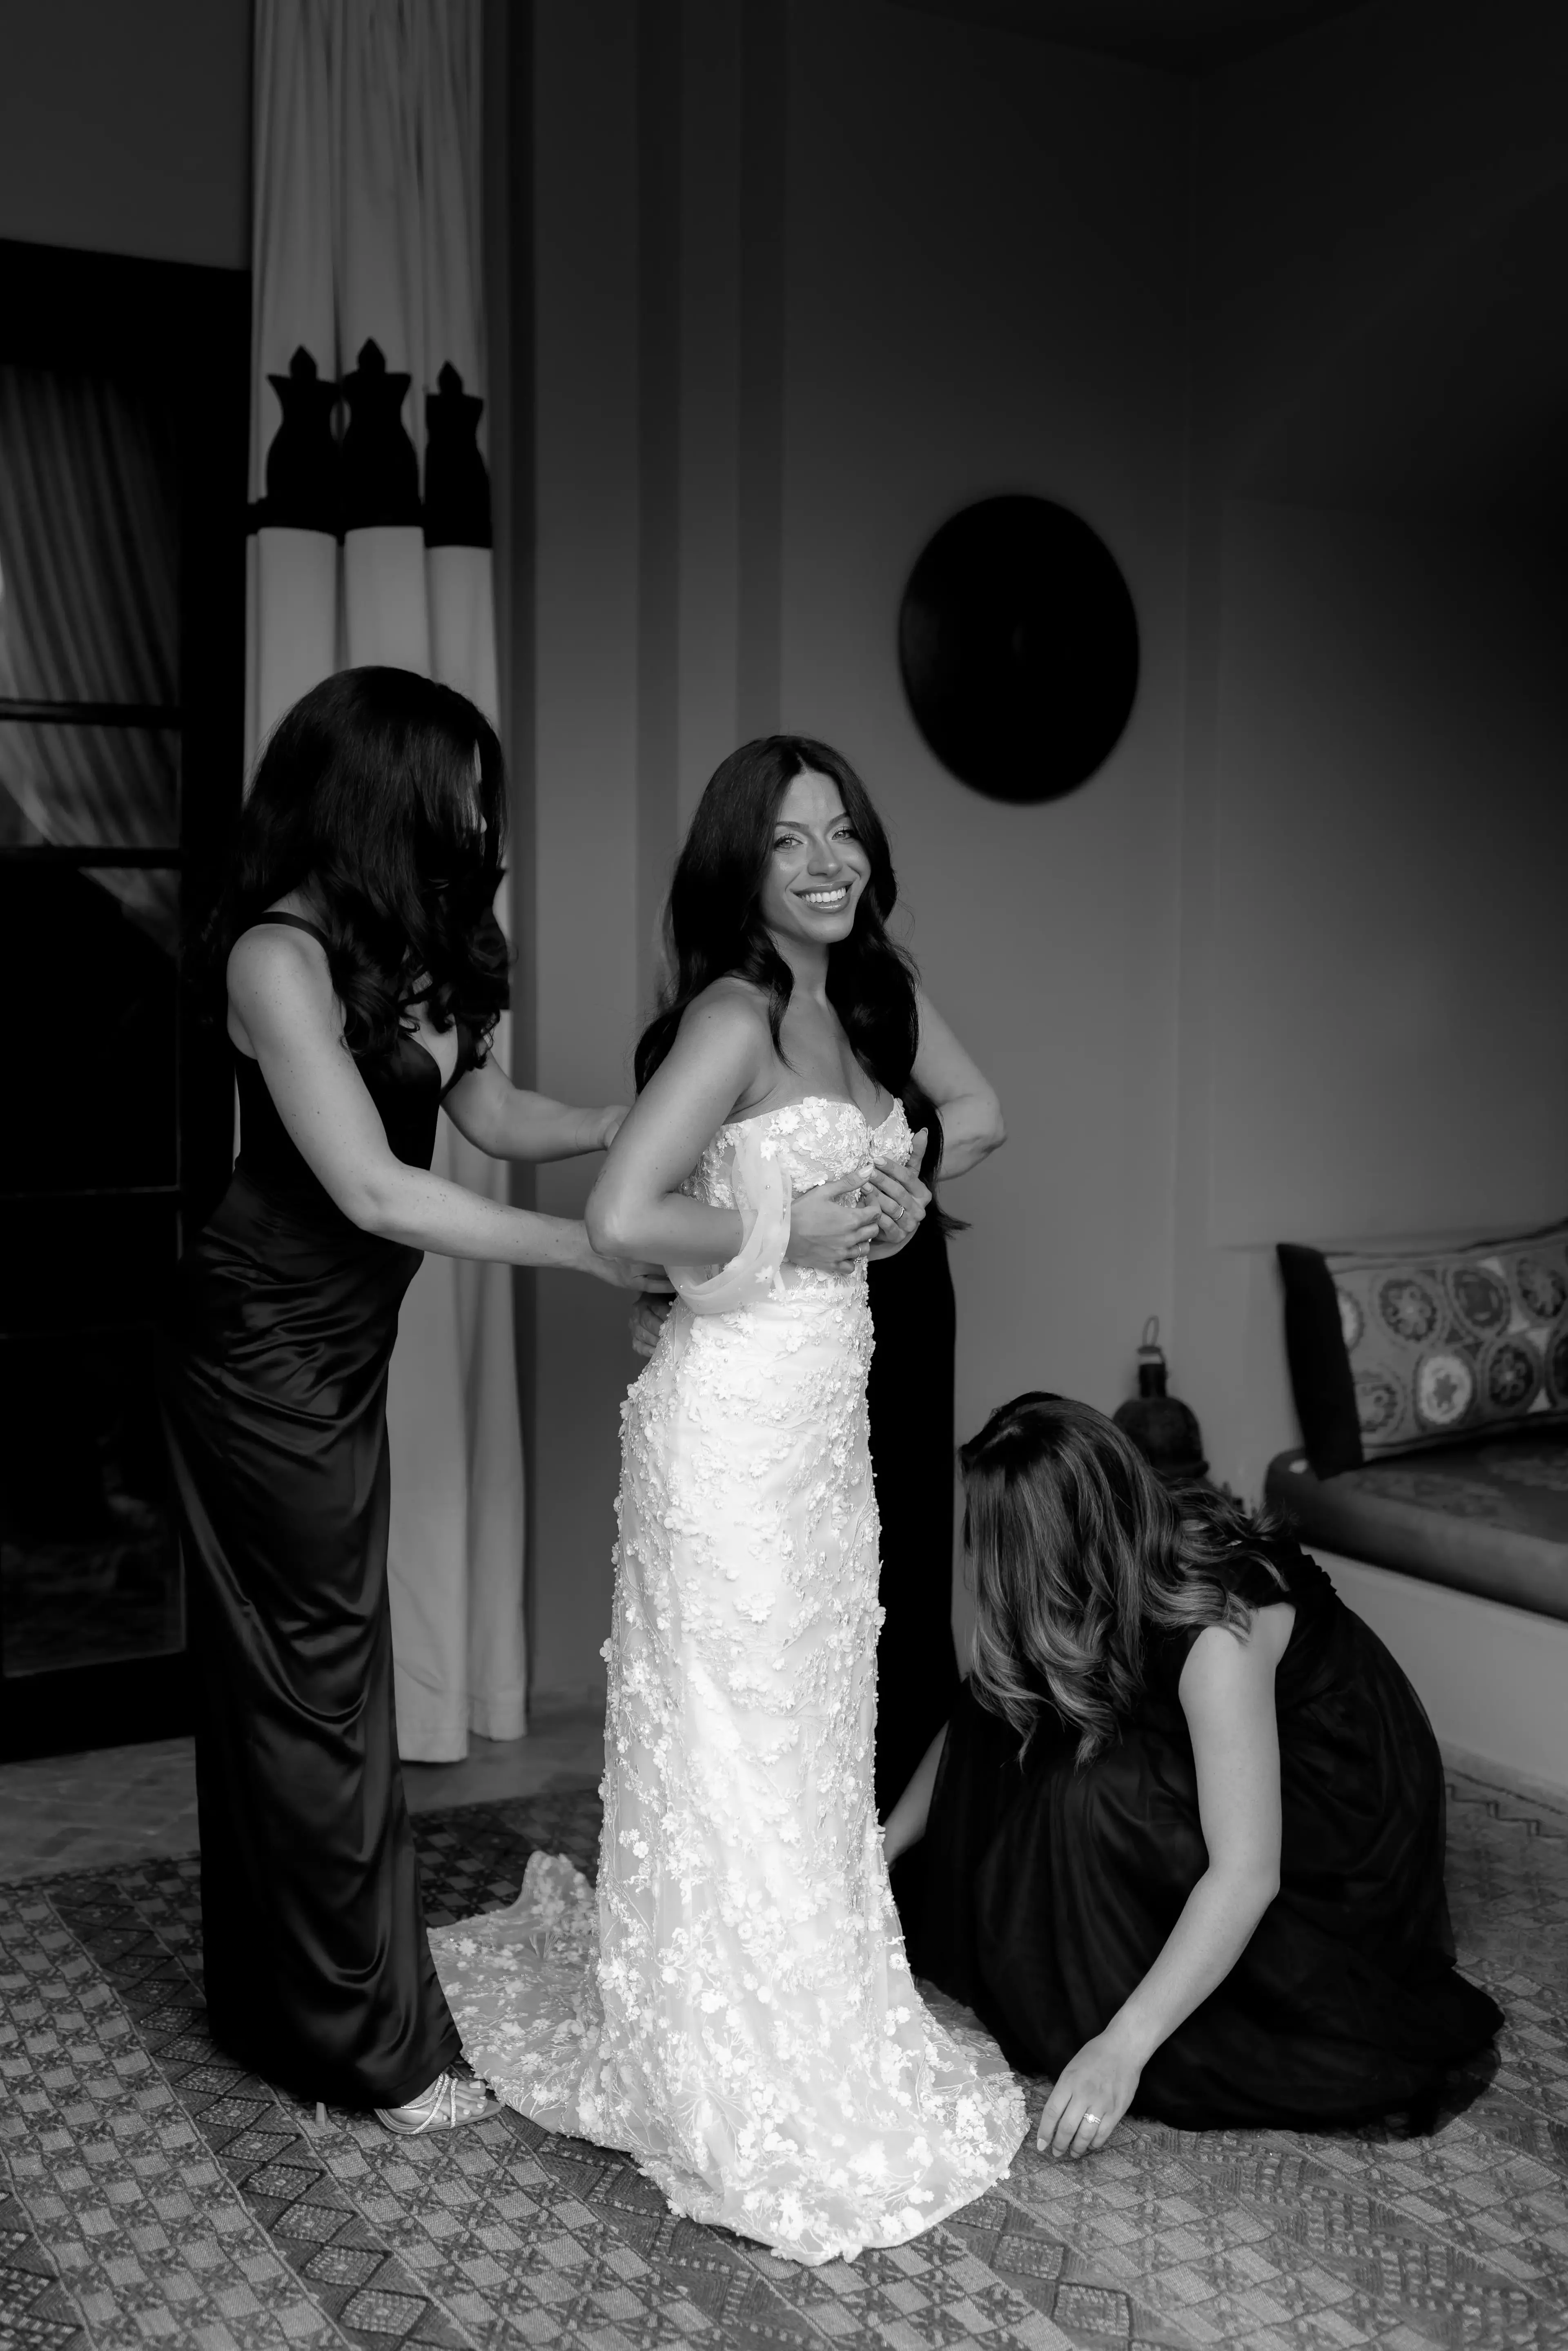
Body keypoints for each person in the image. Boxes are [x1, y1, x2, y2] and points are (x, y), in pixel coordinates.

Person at [431, 735, 1025, 2263]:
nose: (827, 860)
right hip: (732, 1425)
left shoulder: (845, 1007)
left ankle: (809, 1991)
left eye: (844, 833)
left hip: (822, 1421)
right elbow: (625, 1215)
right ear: (739, 868)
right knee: (739, 1721)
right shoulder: (737, 1010)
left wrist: (882, 1206)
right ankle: (726, 2041)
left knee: (813, 1715)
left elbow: (863, 1192)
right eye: (790, 841)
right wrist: (795, 1218)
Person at [161, 668, 662, 2137]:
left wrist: (619, 1127)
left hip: (337, 1352)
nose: (478, 821)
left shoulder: (412, 943)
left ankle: (282, 2003)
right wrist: (589, 1242)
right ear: (379, 792)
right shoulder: (277, 959)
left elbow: (484, 1114)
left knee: (308, 1681)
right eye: (459, 793)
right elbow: (377, 1188)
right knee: (319, 1688)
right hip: (256, 1346)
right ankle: (368, 2049)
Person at [884, 1393, 1504, 2154]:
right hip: (1217, 1729)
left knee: (1096, 1801)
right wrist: (883, 1846)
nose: (975, 1557)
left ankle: (1128, 2001)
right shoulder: (1111, 1539)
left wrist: (1123, 2047)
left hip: (1334, 1797)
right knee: (1027, 1712)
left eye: (988, 1541)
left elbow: (1247, 1875)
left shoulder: (1216, 1637)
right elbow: (981, 1710)